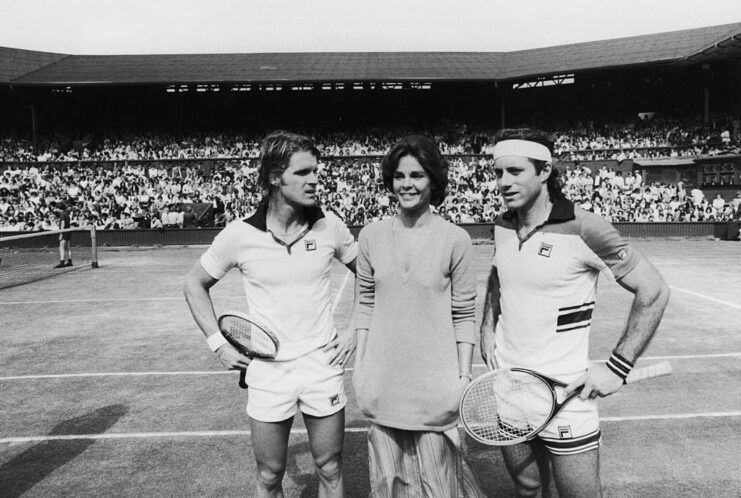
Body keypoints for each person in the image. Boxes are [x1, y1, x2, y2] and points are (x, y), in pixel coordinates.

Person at [479, 128, 670, 497]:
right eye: (498, 173)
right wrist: (488, 324)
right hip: (509, 387)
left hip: (567, 396)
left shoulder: (586, 228)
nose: (503, 182)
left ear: (545, 171)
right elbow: (498, 273)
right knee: (528, 488)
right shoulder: (503, 224)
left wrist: (616, 368)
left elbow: (655, 289)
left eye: (515, 171)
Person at [183, 131, 357, 498]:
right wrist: (217, 344)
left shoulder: (331, 227)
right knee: (269, 474)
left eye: (316, 172)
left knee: (330, 467)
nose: (315, 180)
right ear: (276, 176)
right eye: (304, 172)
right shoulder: (239, 235)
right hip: (268, 371)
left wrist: (357, 328)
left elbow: (370, 278)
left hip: (321, 364)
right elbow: (194, 285)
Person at [353, 135, 485, 497]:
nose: (406, 184)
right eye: (399, 176)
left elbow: (464, 314)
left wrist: (461, 376)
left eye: (417, 175)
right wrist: (360, 368)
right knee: (388, 486)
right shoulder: (370, 236)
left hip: (435, 386)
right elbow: (365, 303)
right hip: (383, 382)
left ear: (434, 181)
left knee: (440, 486)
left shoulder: (456, 239)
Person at [53, 202, 73, 268]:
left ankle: (62, 262)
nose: (56, 209)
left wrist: (61, 233)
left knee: (61, 247)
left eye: (56, 208)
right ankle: (70, 261)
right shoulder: (66, 214)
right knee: (68, 248)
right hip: (68, 231)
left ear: (59, 208)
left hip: (64, 232)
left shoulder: (62, 214)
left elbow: (63, 224)